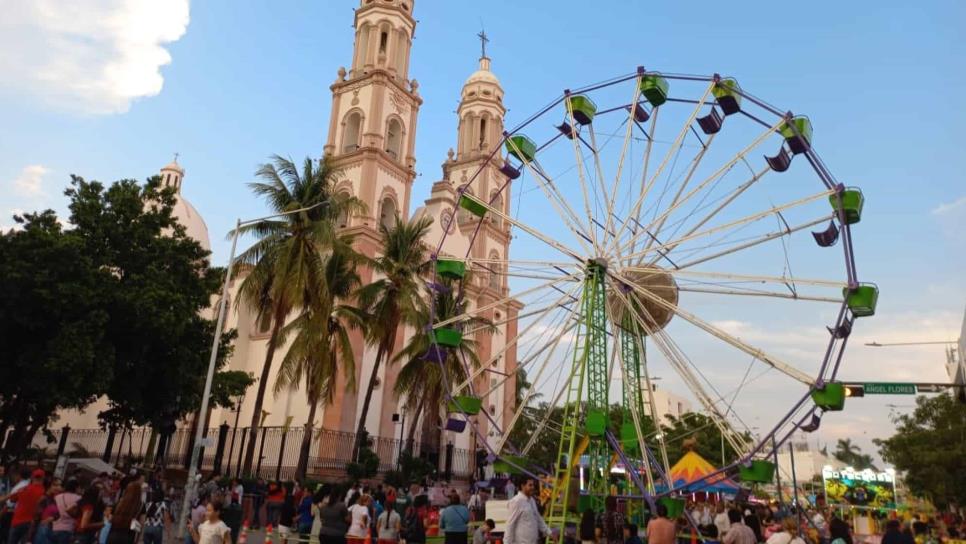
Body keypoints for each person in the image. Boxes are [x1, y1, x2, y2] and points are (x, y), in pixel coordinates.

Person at [0, 468, 46, 544]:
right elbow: (39, 509)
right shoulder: (43, 492)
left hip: (17, 520)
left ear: (32, 477)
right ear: (43, 478)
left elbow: (10, 501)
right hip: (30, 522)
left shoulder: (24, 489)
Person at [504, 477, 548, 544]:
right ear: (522, 486)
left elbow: (538, 518)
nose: (533, 487)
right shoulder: (516, 501)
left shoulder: (531, 500)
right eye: (530, 485)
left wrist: (548, 532)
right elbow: (510, 524)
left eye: (533, 485)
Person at [51, 478, 82, 544]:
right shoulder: (79, 498)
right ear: (76, 488)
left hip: (55, 527)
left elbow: (53, 512)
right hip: (68, 529)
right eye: (79, 487)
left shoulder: (57, 497)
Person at [34, 478, 64, 544]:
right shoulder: (43, 498)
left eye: (60, 485)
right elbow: (35, 518)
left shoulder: (54, 499)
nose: (58, 487)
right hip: (41, 532)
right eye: (55, 485)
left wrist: (52, 518)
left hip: (51, 532)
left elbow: (59, 514)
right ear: (49, 486)